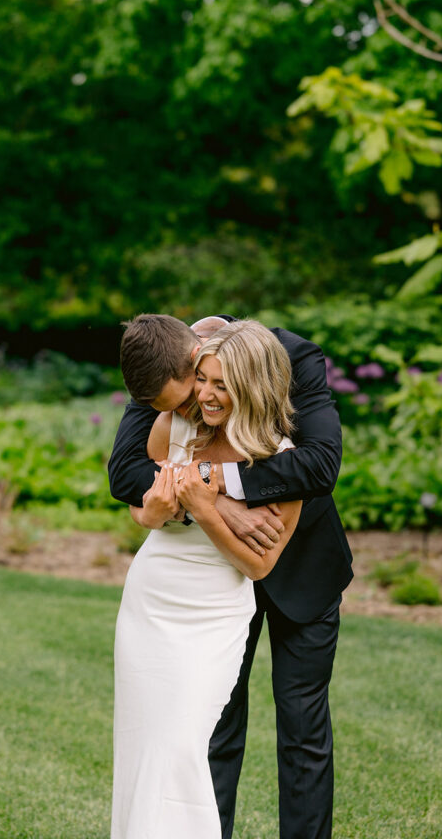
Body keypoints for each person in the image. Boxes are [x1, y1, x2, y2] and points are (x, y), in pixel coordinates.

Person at [109, 314, 353, 839]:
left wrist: (212, 482)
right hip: (196, 589)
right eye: (198, 386)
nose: (199, 399)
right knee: (210, 729)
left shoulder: (295, 359)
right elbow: (127, 475)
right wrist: (220, 507)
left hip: (297, 561)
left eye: (216, 384)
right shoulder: (164, 367)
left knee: (302, 728)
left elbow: (320, 466)